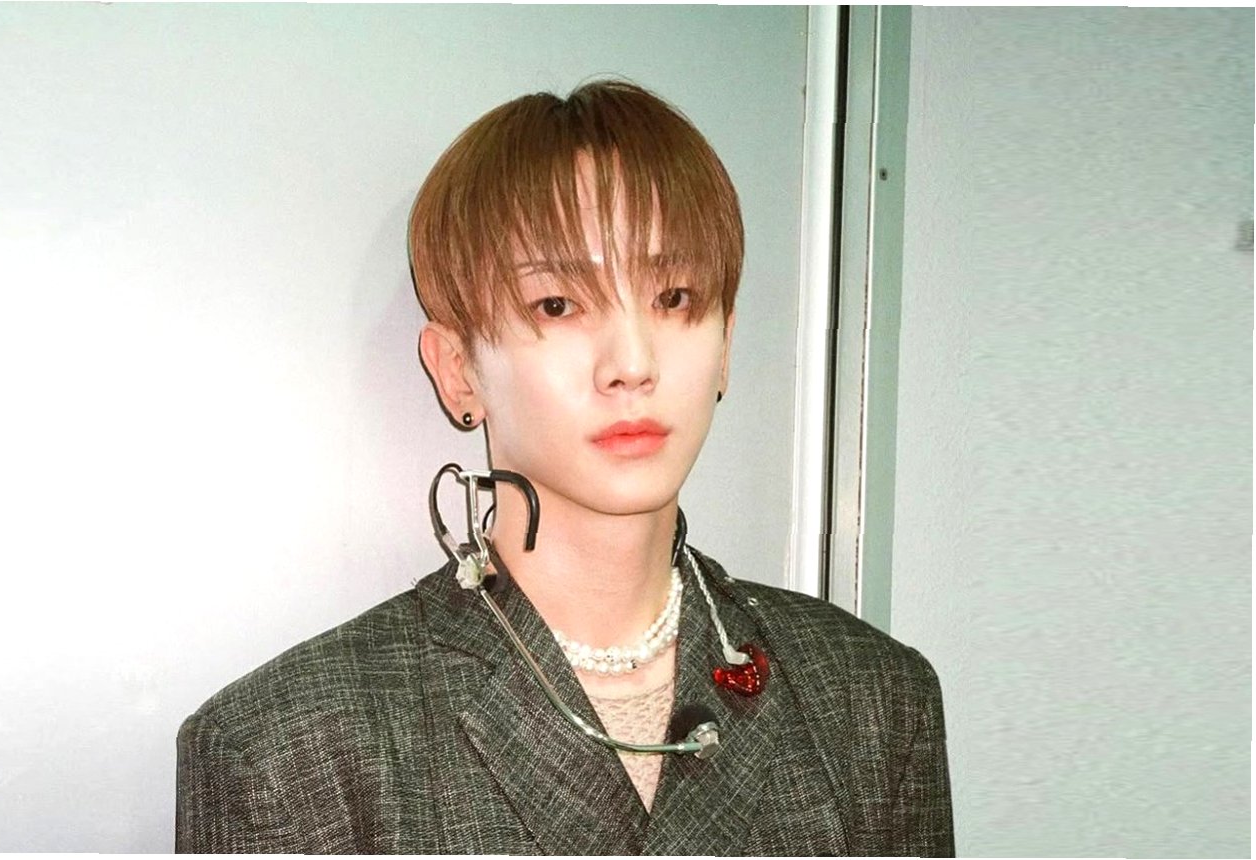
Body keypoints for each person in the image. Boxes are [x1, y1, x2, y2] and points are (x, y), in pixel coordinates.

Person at [176, 79, 954, 856]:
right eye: (557, 305)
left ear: (725, 344)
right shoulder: (289, 751)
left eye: (673, 297)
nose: (632, 364)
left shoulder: (871, 700)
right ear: (457, 371)